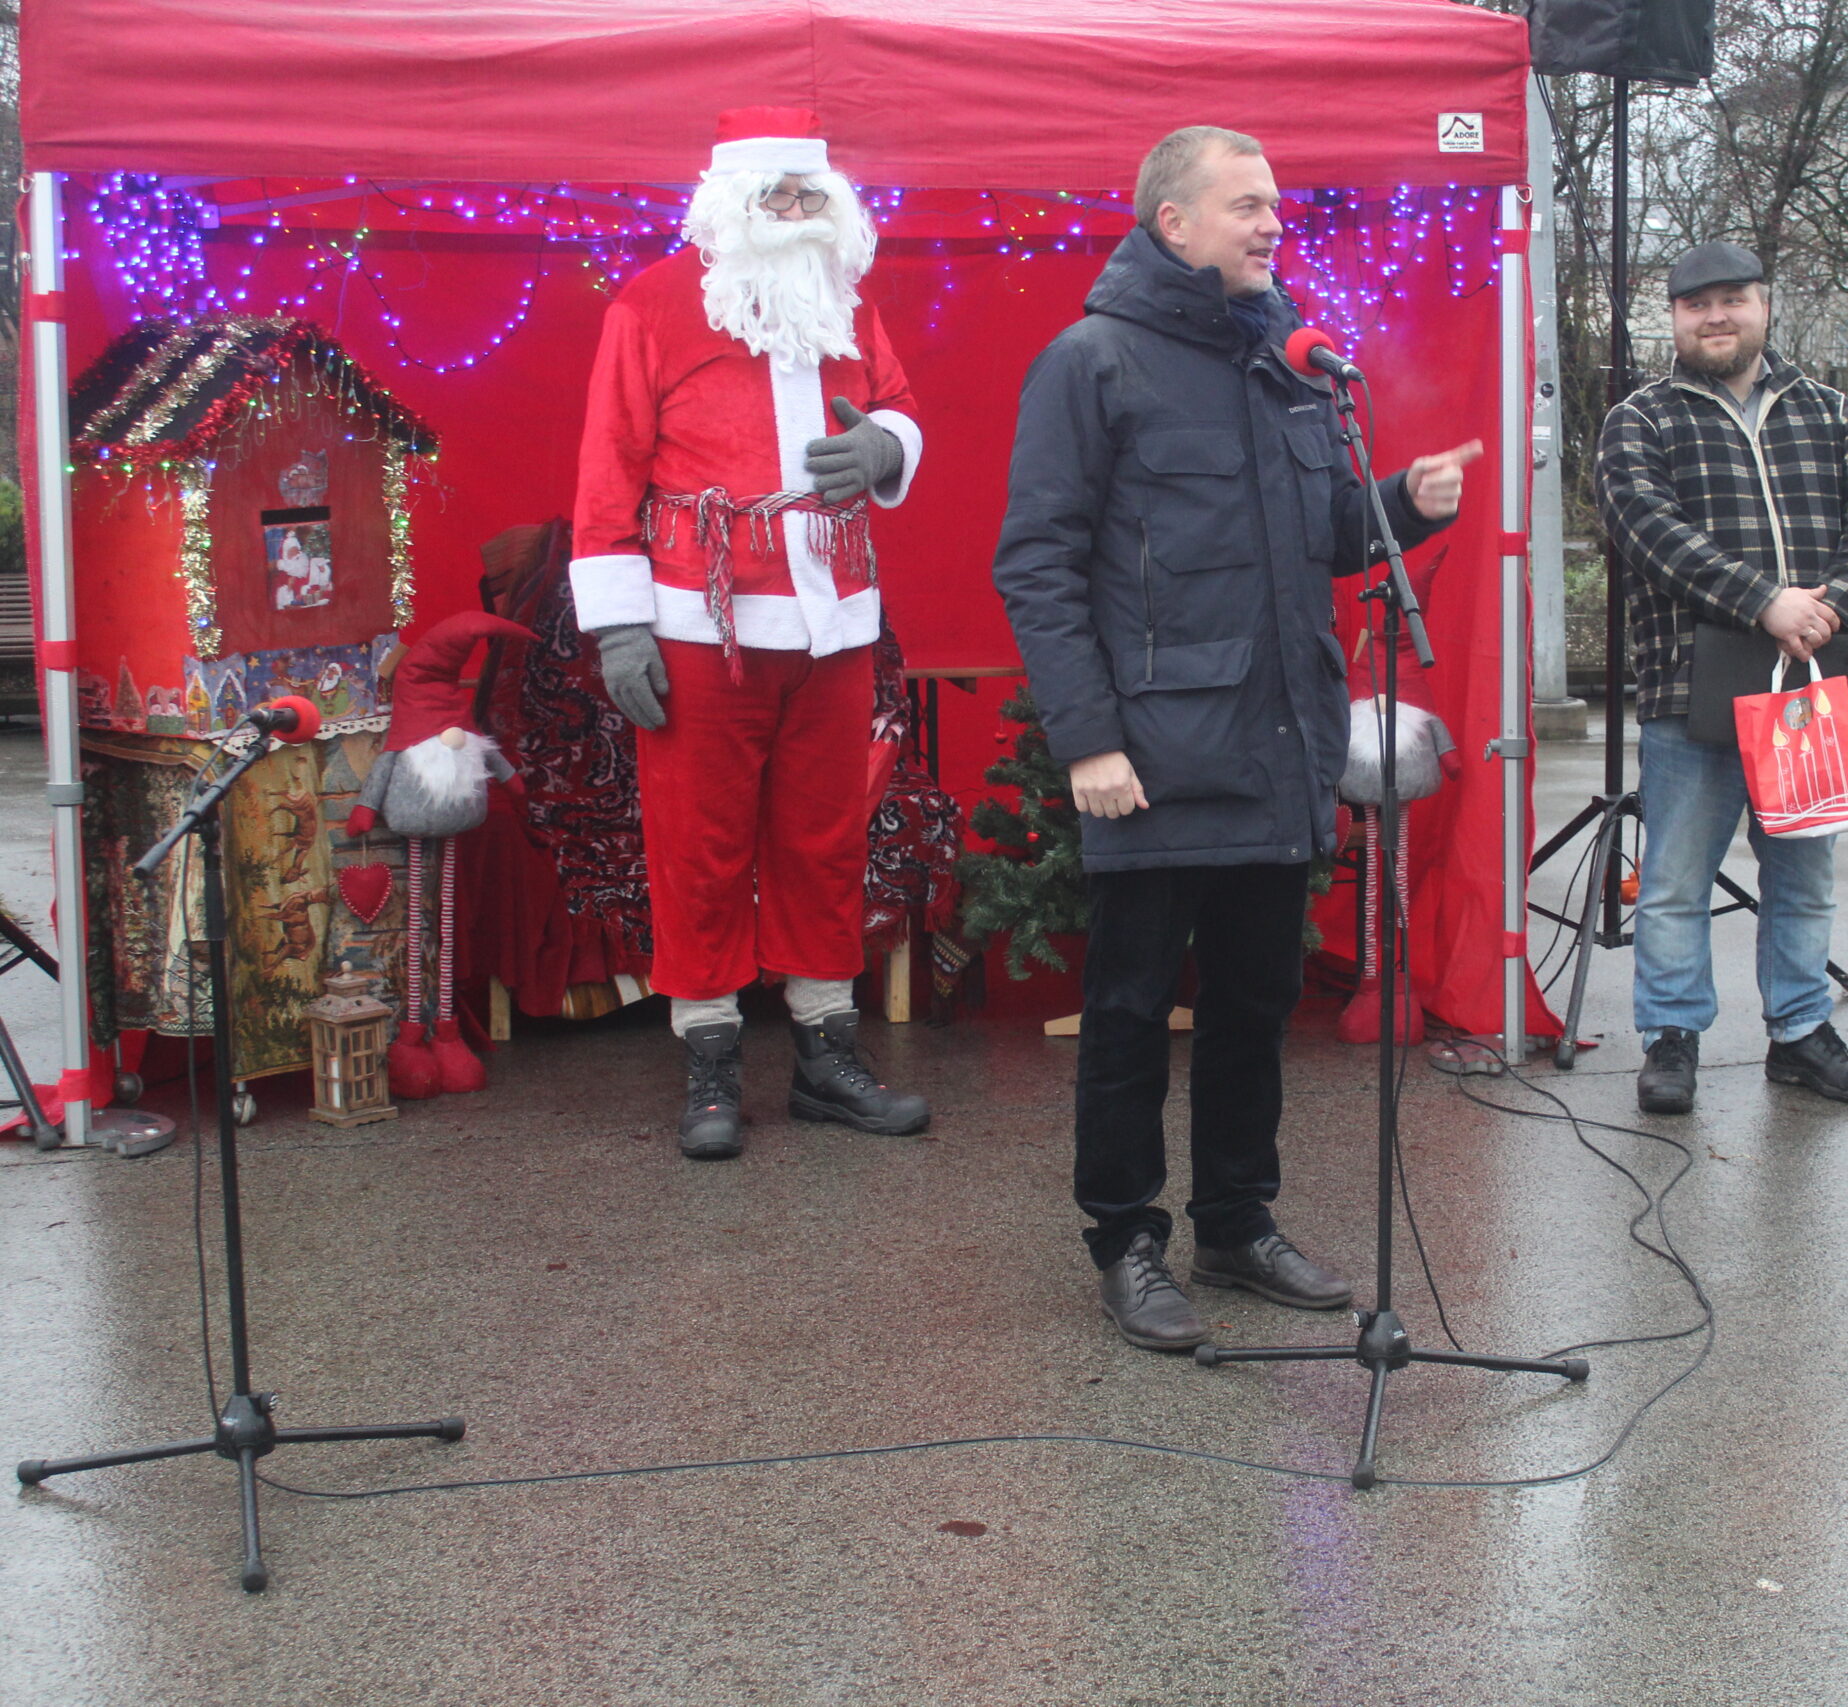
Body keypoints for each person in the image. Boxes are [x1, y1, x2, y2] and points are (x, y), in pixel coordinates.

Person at [992, 125, 1480, 1351]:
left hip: (1276, 745)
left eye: (1274, 204)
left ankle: (1235, 1221)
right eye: (1246, 204)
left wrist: (1402, 508)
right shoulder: (1089, 363)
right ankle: (1125, 1239)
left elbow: (1322, 533)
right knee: (1129, 1011)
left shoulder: (1288, 359)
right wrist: (1087, 740)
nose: (1272, 224)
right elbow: (1036, 564)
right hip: (1153, 758)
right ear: (1174, 223)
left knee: (1254, 1005)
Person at [571, 106, 931, 1159]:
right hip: (701, 622)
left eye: (811, 193)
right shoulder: (651, 305)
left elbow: (899, 405)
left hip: (833, 617)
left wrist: (885, 447)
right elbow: (608, 467)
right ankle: (711, 1056)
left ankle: (826, 1051)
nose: (795, 209)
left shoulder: (848, 302)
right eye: (776, 193)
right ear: (730, 203)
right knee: (699, 844)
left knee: (826, 839)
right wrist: (620, 628)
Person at [1596, 241, 1848, 1117]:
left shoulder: (1830, 412)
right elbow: (1649, 532)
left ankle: (1800, 1031)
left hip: (1803, 689)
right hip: (1688, 690)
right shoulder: (1639, 421)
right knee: (1674, 883)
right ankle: (1671, 1037)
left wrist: (1829, 607)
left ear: (1764, 305)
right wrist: (1765, 602)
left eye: (1732, 298)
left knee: (1804, 878)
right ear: (1674, 318)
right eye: (1696, 304)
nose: (1716, 316)